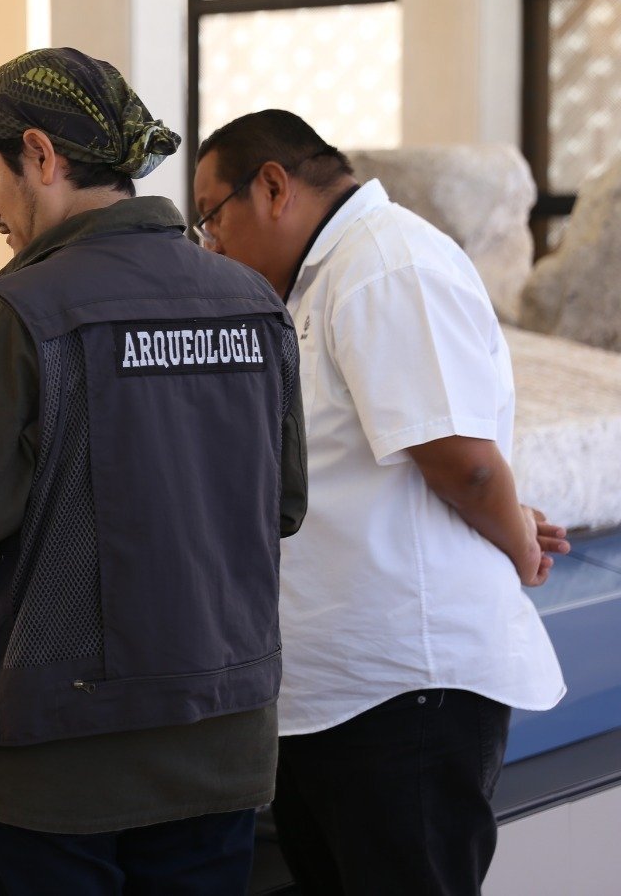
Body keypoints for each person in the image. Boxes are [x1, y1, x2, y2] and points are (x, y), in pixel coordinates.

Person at [0, 48, 306, 895]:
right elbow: (283, 506)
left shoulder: (20, 314)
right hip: (220, 736)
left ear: (40, 155)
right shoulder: (252, 302)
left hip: (54, 756)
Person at [191, 109, 569, 895]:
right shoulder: (321, 279)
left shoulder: (386, 264)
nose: (210, 243)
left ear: (273, 187)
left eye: (211, 216)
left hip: (404, 698)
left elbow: (462, 464)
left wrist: (518, 546)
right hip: (337, 694)